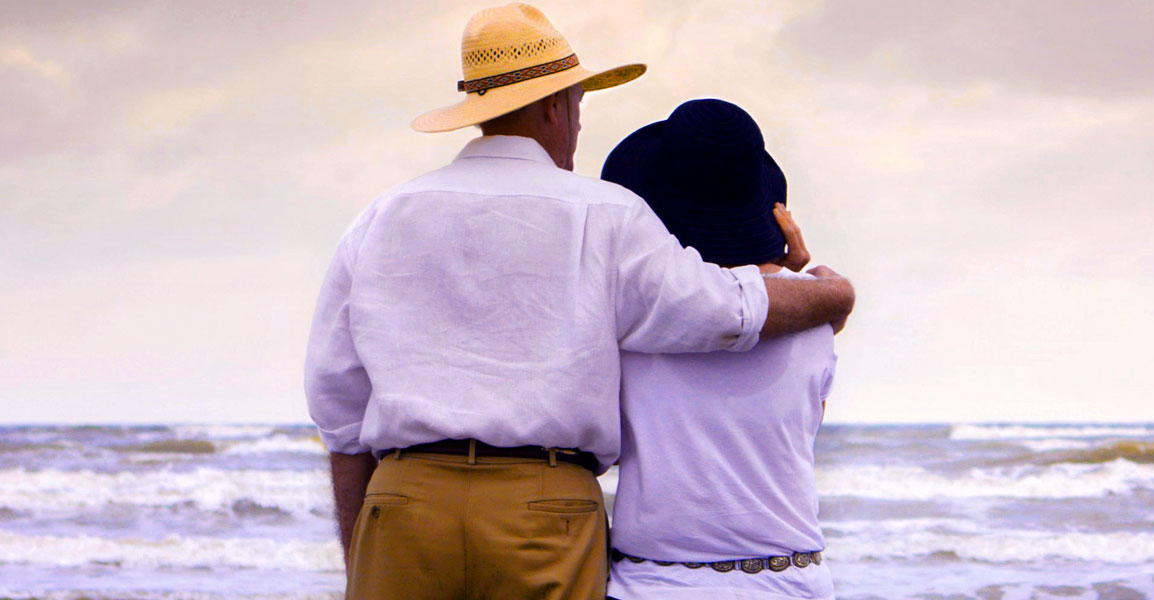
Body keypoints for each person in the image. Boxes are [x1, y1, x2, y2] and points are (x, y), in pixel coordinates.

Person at [302, 6, 855, 600]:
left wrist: (363, 548)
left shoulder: (381, 217)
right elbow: (724, 310)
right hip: (545, 505)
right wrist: (829, 292)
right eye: (579, 103)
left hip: (406, 501)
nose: (580, 124)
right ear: (553, 105)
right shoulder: (608, 215)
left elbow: (337, 406)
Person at [597, 99, 840, 599]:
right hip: (790, 580)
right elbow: (803, 421)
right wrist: (787, 268)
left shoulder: (629, 317)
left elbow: (612, 448)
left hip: (655, 581)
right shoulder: (814, 319)